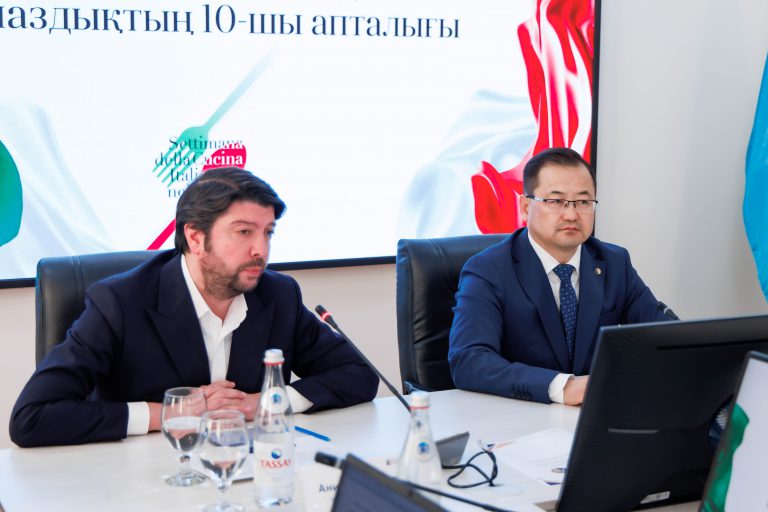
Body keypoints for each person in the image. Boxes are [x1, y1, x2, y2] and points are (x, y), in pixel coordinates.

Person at [10, 167, 379, 447]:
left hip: (245, 473)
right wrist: (171, 413)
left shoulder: (277, 294)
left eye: (268, 232)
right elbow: (31, 418)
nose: (261, 250)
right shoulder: (120, 303)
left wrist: (265, 403)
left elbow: (359, 374)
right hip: (140, 483)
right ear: (195, 237)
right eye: (244, 232)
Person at [448, 147, 671, 406]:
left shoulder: (614, 262)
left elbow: (664, 336)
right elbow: (469, 360)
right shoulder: (489, 270)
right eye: (556, 201)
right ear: (525, 206)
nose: (571, 214)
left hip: (594, 415)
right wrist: (562, 387)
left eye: (583, 202)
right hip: (518, 416)